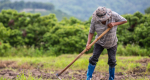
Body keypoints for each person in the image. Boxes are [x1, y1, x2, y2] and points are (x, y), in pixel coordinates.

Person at [86, 6, 127, 80]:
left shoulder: (113, 15)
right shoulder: (94, 20)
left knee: (112, 61)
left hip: (112, 42)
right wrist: (88, 44)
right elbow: (91, 32)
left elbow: (124, 20)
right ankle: (88, 78)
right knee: (93, 59)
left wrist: (114, 23)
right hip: (99, 42)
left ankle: (111, 78)